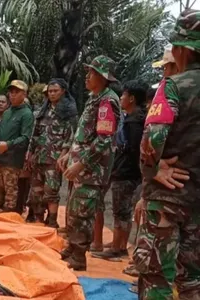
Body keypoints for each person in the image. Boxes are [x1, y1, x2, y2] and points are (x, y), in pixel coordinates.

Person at [133, 10, 200, 299]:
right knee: (193, 280)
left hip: (167, 199)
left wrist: (153, 169)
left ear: (183, 49)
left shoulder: (173, 86)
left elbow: (153, 139)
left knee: (156, 276)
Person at [58, 55, 121, 271]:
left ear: (103, 77)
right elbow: (84, 134)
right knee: (75, 210)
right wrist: (70, 155)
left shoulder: (107, 101)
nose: (87, 76)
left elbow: (104, 140)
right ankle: (72, 247)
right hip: (82, 167)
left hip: (92, 171)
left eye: (92, 72)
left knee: (83, 212)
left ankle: (78, 256)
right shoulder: (95, 98)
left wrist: (81, 163)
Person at [92, 80, 148, 260]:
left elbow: (133, 150)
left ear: (131, 98)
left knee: (121, 212)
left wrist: (123, 168)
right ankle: (119, 244)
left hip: (126, 173)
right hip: (126, 171)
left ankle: (118, 248)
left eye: (123, 95)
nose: (121, 98)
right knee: (123, 210)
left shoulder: (135, 123)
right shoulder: (133, 118)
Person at [26, 78, 77, 227]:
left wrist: (63, 155)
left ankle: (52, 222)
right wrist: (29, 153)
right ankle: (38, 220)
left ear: (63, 92)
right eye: (50, 91)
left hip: (55, 158)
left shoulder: (69, 113)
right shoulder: (43, 111)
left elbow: (71, 137)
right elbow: (35, 134)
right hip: (39, 156)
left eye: (55, 91)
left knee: (51, 192)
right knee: (36, 190)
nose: (52, 94)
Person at [0, 80, 33, 212]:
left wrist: (8, 145)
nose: (13, 95)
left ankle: (8, 218)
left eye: (16, 92)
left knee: (10, 192)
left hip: (13, 159)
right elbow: (0, 133)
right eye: (11, 92)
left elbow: (25, 138)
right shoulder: (7, 112)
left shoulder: (27, 114)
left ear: (24, 94)